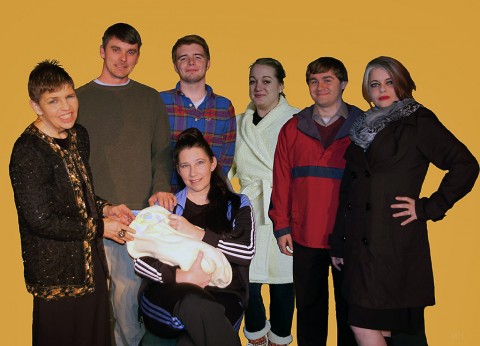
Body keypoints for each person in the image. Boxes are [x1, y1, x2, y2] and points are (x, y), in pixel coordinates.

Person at [329, 56, 479, 346]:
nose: (382, 89)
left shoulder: (418, 120)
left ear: (402, 83)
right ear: (367, 91)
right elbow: (347, 190)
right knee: (373, 327)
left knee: (379, 328)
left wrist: (427, 207)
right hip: (359, 245)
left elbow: (465, 165)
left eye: (389, 82)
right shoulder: (362, 128)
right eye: (374, 84)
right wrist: (338, 241)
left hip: (393, 243)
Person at [9, 60, 136, 346]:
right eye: (53, 100)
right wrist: (101, 227)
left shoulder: (79, 136)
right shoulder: (28, 150)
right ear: (36, 106)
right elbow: (40, 219)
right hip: (56, 276)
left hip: (91, 266)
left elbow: (80, 194)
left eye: (69, 96)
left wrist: (105, 208)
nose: (66, 106)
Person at [76, 23, 172, 346]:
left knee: (127, 305)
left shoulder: (150, 99)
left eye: (131, 52)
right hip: (91, 216)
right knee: (91, 305)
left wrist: (161, 186)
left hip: (135, 216)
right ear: (102, 51)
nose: (123, 58)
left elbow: (162, 152)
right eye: (116, 50)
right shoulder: (77, 100)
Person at [269, 57, 362, 346]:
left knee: (352, 312)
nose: (319, 86)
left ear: (343, 84)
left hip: (351, 235)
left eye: (327, 80)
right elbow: (281, 179)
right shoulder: (293, 128)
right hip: (305, 233)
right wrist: (282, 226)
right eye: (313, 81)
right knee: (309, 311)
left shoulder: (365, 126)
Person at [133, 128, 255, 346]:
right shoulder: (166, 207)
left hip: (224, 291)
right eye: (185, 166)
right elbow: (140, 261)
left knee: (190, 341)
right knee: (193, 304)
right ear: (178, 171)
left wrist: (197, 233)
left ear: (213, 163)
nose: (193, 172)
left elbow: (245, 252)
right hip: (170, 290)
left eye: (199, 162)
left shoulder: (237, 204)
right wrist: (181, 277)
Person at [229, 58, 298, 346]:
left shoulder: (298, 120)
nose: (258, 87)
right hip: (249, 210)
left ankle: (280, 338)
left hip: (285, 209)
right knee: (248, 282)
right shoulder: (238, 123)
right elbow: (222, 170)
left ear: (281, 85)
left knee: (284, 285)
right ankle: (256, 335)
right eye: (253, 81)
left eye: (267, 81)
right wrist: (229, 205)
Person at [156, 34, 236, 194]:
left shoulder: (224, 107)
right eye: (183, 58)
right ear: (175, 66)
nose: (191, 63)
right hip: (167, 199)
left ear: (208, 63)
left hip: (210, 200)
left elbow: (226, 158)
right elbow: (153, 154)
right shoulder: (159, 102)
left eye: (197, 57)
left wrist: (209, 193)